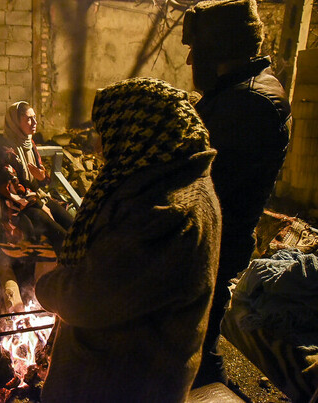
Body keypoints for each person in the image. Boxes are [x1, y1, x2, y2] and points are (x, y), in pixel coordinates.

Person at [35, 78, 221, 402]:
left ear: (136, 131)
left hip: (119, 383)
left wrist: (47, 288)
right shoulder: (169, 179)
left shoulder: (168, 210)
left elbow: (88, 298)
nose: (98, 147)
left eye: (105, 134)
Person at [181, 0, 292, 387]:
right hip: (215, 237)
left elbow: (201, 176)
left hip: (214, 241)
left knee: (196, 345)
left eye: (197, 49)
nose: (191, 61)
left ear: (220, 48)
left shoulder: (249, 101)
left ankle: (210, 393)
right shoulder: (238, 92)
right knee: (197, 338)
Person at [0, 101, 73, 255]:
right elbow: (11, 186)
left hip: (33, 196)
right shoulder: (2, 148)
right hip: (11, 201)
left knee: (71, 223)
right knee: (55, 231)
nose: (34, 123)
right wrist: (40, 205)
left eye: (35, 118)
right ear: (15, 122)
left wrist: (42, 177)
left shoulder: (29, 142)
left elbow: (41, 179)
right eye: (28, 119)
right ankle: (68, 264)